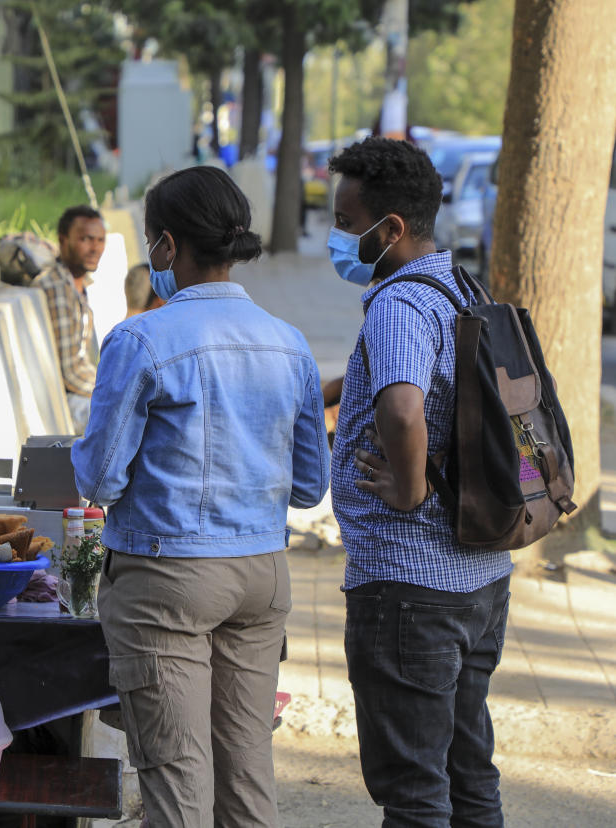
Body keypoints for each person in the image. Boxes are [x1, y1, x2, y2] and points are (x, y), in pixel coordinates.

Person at [72, 166, 329, 827]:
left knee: (178, 783)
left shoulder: (140, 339)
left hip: (167, 580)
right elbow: (309, 485)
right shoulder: (290, 343)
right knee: (247, 777)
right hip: (261, 576)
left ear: (165, 246)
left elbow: (99, 481)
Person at [327, 136, 510, 826]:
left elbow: (404, 406)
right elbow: (425, 377)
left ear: (390, 229)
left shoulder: (397, 303)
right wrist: (334, 389)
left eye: (347, 225)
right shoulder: (459, 284)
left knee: (413, 793)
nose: (339, 240)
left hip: (410, 587)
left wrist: (407, 488)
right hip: (480, 575)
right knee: (469, 774)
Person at [33, 205, 106, 432]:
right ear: (63, 240)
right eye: (86, 239)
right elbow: (71, 372)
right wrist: (111, 392)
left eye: (101, 240)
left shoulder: (78, 285)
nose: (95, 248)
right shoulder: (57, 288)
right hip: (65, 401)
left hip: (79, 393)